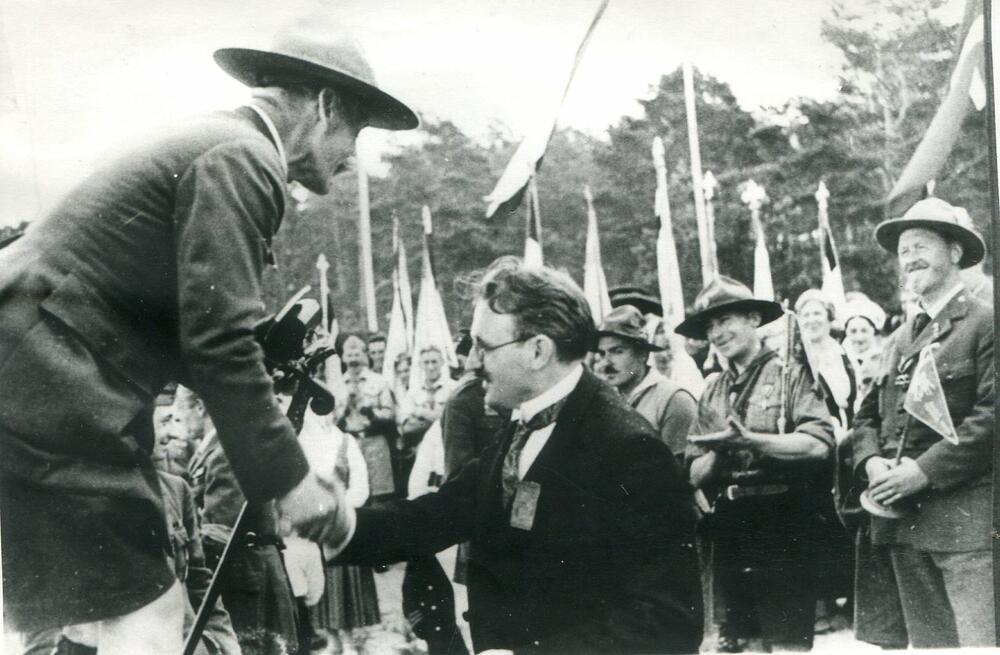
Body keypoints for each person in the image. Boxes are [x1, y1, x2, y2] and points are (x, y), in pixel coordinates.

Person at [0, 17, 417, 651]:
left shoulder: (215, 142)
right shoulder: (245, 159)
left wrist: (255, 349)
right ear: (325, 107)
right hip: (51, 391)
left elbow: (175, 322)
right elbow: (219, 344)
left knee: (99, 614)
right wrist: (291, 482)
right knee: (145, 616)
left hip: (39, 384)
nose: (352, 154)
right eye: (355, 131)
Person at [325, 260, 704, 654]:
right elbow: (439, 513)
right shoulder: (520, 426)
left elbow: (668, 622)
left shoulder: (630, 450)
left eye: (484, 347)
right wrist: (340, 523)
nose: (471, 362)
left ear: (538, 351)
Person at [854, 198, 995, 648]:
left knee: (981, 643)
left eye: (921, 246)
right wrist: (872, 462)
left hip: (965, 526)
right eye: (903, 250)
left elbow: (991, 416)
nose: (910, 258)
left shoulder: (985, 323)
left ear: (955, 251)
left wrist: (923, 471)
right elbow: (866, 416)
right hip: (902, 524)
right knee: (932, 648)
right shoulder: (897, 340)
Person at [678, 275, 835, 653]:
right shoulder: (712, 390)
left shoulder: (791, 374)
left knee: (786, 643)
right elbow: (693, 473)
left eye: (725, 320)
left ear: (753, 318)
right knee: (740, 643)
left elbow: (818, 445)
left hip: (783, 522)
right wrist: (721, 452)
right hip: (731, 526)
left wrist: (753, 441)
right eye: (709, 326)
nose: (716, 333)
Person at [180, 385, 301, 652]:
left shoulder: (227, 449)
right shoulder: (218, 446)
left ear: (199, 408)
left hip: (244, 573)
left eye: (181, 412)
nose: (180, 422)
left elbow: (224, 527)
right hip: (246, 569)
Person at [593, 304, 697, 460]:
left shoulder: (673, 400)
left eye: (617, 351)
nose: (606, 363)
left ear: (642, 354)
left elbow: (680, 468)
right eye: (602, 354)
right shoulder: (606, 399)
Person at [333, 333, 399, 499]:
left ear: (364, 356)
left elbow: (390, 413)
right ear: (343, 358)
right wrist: (344, 409)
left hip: (375, 442)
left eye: (357, 355)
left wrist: (372, 413)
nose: (353, 359)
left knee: (380, 496)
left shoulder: (379, 381)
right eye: (349, 355)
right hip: (350, 443)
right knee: (353, 495)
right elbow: (331, 421)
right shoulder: (337, 385)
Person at [794, 289, 858, 432]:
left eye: (817, 313)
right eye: (806, 315)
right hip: (818, 435)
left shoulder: (844, 352)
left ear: (829, 316)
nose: (812, 320)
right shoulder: (797, 359)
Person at [397, 345, 456, 482]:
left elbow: (453, 421)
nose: (430, 367)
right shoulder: (413, 392)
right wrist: (438, 417)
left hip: (446, 450)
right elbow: (406, 427)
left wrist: (420, 412)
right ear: (420, 365)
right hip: (419, 450)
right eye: (426, 362)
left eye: (434, 362)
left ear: (442, 362)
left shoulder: (453, 388)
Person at [841, 294, 887, 408]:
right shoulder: (839, 358)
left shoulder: (884, 358)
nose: (859, 338)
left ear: (873, 331)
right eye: (853, 331)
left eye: (864, 331)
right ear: (846, 332)